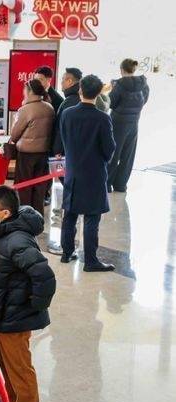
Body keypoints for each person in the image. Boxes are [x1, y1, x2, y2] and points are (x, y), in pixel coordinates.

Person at [0, 185, 56, 402]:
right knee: (9, 370)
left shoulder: (16, 240)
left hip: (15, 319)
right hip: (4, 316)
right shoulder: (5, 232)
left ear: (5, 213)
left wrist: (33, 306)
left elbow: (45, 276)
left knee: (20, 371)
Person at [60, 75, 117, 272]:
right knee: (92, 217)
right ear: (99, 92)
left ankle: (67, 253)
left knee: (70, 214)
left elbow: (64, 139)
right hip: (94, 173)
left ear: (80, 90)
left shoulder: (67, 114)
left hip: (72, 171)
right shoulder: (103, 118)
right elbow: (109, 149)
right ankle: (91, 261)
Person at [9, 79, 54, 216]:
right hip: (44, 153)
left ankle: (24, 216)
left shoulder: (25, 109)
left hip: (26, 154)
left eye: (24, 89)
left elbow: (14, 134)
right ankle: (38, 217)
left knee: (24, 188)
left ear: (29, 91)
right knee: (39, 188)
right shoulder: (49, 108)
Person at [107, 58, 150, 193]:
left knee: (113, 154)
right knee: (128, 156)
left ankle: (107, 184)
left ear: (121, 70)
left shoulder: (119, 85)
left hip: (117, 123)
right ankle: (121, 185)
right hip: (134, 123)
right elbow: (144, 100)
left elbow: (111, 102)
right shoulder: (144, 84)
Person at [52, 68, 82, 156]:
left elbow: (62, 128)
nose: (61, 82)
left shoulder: (70, 102)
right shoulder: (79, 98)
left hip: (66, 152)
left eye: (63, 79)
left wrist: (57, 149)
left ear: (70, 81)